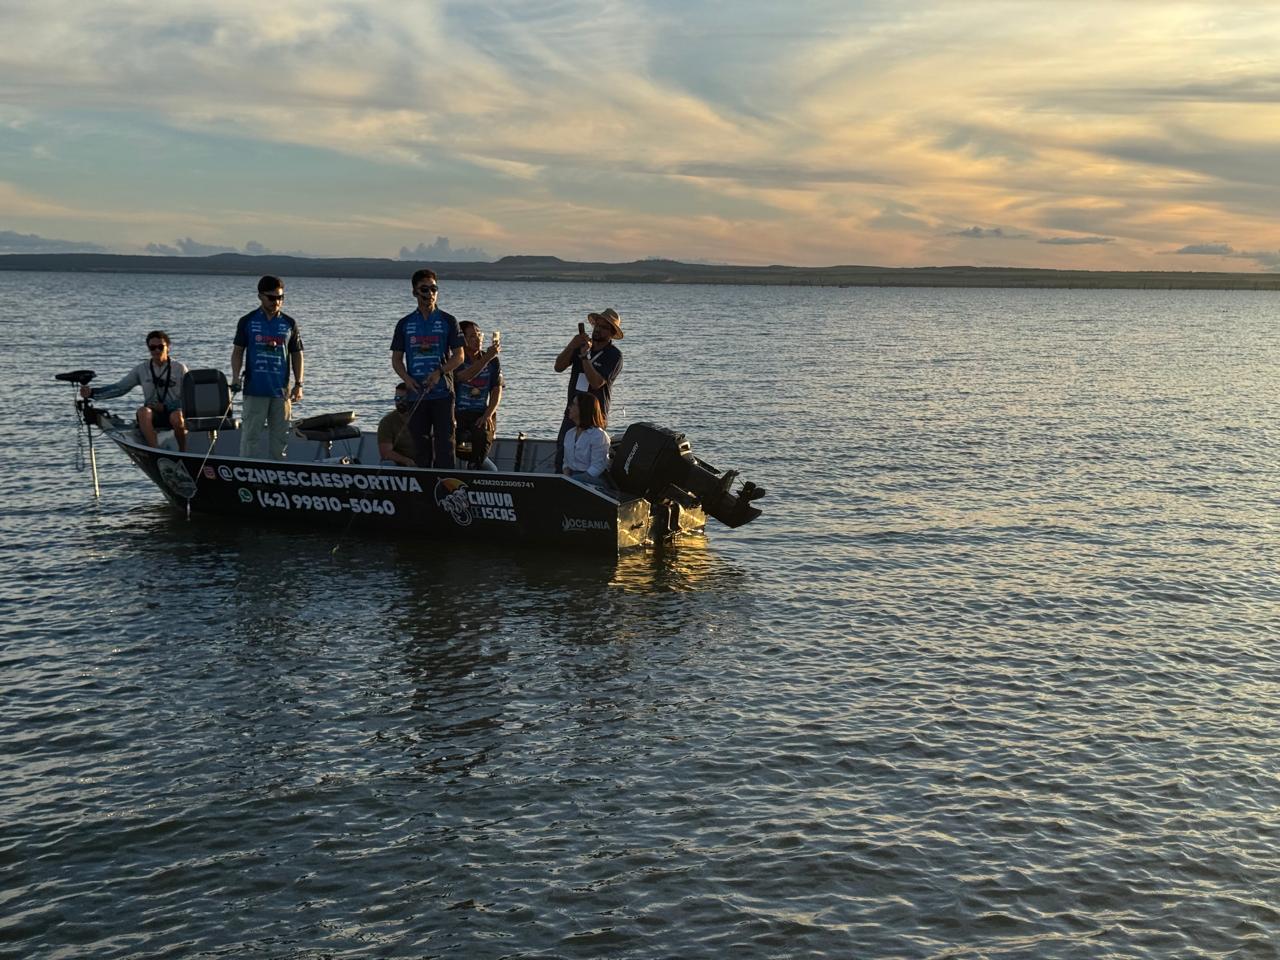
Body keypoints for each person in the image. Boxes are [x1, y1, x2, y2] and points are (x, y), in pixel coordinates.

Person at [390, 268, 465, 468]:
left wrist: (439, 372)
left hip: (442, 393)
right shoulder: (404, 324)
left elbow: (459, 356)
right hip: (416, 394)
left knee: (445, 445)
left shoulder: (448, 321)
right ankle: (423, 483)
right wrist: (407, 380)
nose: (430, 293)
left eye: (434, 289)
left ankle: (446, 484)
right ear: (415, 292)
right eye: (425, 289)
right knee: (419, 447)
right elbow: (396, 360)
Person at [230, 275, 304, 460]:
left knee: (280, 438)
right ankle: (247, 469)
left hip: (281, 392)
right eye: (271, 298)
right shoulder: (247, 321)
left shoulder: (289, 323)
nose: (276, 302)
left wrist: (299, 384)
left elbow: (297, 354)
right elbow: (238, 352)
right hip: (255, 389)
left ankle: (278, 470)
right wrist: (235, 377)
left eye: (280, 297)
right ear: (260, 296)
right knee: (251, 437)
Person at [82, 330, 189, 451]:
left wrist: (166, 407)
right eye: (152, 348)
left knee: (177, 416)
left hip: (174, 411)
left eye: (160, 347)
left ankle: (183, 451)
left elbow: (190, 397)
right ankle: (155, 451)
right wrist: (93, 393)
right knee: (143, 412)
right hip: (153, 414)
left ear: (168, 347)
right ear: (148, 349)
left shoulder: (179, 368)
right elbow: (120, 388)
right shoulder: (142, 369)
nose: (157, 350)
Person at [553, 307, 623, 471]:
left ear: (611, 333)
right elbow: (558, 367)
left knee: (589, 462)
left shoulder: (614, 355)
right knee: (562, 457)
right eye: (597, 325)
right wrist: (572, 346)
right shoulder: (580, 346)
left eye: (604, 327)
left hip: (594, 417)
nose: (598, 329)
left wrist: (585, 357)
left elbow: (596, 382)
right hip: (573, 413)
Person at [453, 321, 503, 469]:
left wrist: (488, 414)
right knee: (461, 445)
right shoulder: (457, 360)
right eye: (472, 336)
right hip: (459, 413)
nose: (478, 339)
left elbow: (497, 390)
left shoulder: (493, 361)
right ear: (463, 339)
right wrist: (487, 357)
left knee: (482, 434)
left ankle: (475, 467)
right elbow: (465, 376)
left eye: (480, 335)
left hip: (481, 412)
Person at [561, 393, 611, 488]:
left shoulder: (598, 435)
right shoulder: (569, 434)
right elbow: (566, 463)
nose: (569, 407)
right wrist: (566, 476)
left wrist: (570, 481)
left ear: (583, 409)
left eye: (573, 404)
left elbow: (597, 468)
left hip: (593, 480)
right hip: (573, 477)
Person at [377, 383, 417, 467]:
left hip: (425, 461)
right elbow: (386, 453)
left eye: (404, 399)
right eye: (397, 398)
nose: (400, 402)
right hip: (401, 465)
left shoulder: (426, 417)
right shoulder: (387, 422)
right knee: (387, 463)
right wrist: (407, 461)